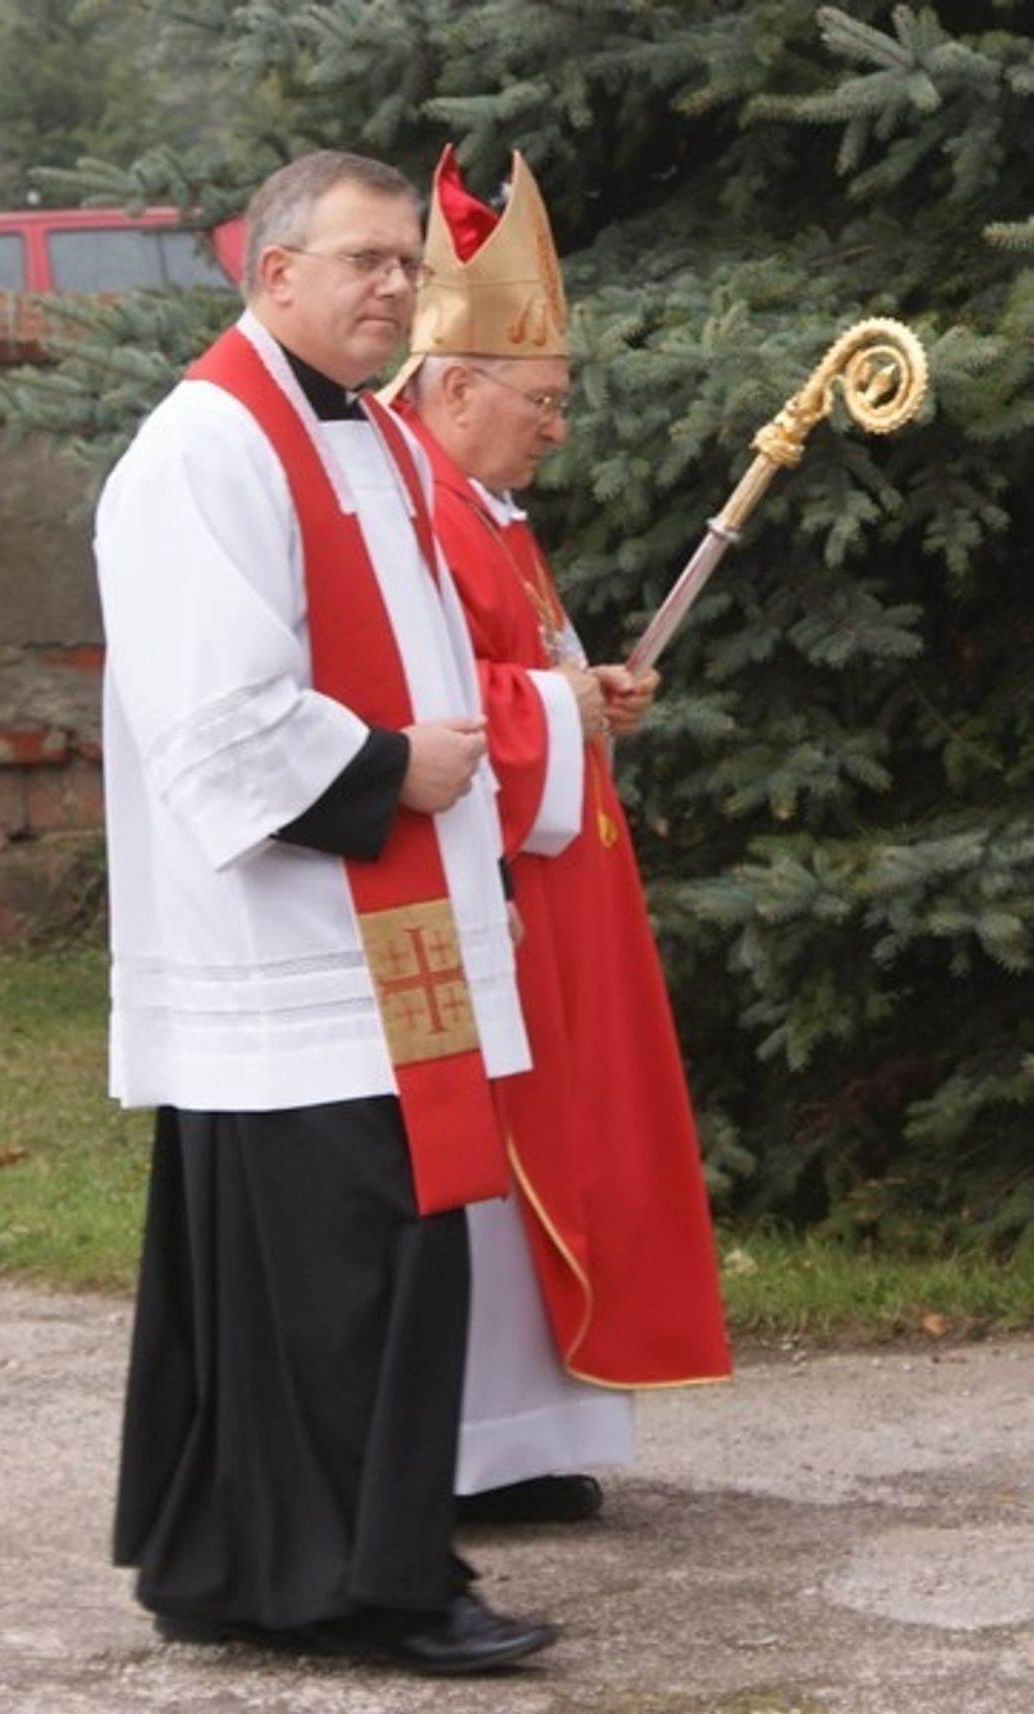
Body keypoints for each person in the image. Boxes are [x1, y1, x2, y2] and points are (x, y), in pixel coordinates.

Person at [94, 148, 557, 1674]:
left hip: (377, 931)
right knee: (348, 1266)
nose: (395, 286)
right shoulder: (206, 447)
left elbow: (426, 652)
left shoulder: (366, 433)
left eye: (407, 262)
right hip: (291, 937)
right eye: (367, 258)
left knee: (327, 1263)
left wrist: (477, 810)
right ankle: (376, 1585)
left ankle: (234, 1564)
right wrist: (393, 769)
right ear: (276, 271)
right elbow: (215, 713)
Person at [385, 146, 732, 1524]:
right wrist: (554, 707)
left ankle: (527, 1436)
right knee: (492, 1158)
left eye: (561, 401)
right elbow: (406, 700)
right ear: (454, 386)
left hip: (551, 882)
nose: (557, 428)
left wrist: (588, 697)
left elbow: (520, 671)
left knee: (566, 1143)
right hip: (482, 895)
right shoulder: (408, 507)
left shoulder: (486, 510)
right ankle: (471, 1448)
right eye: (541, 401)